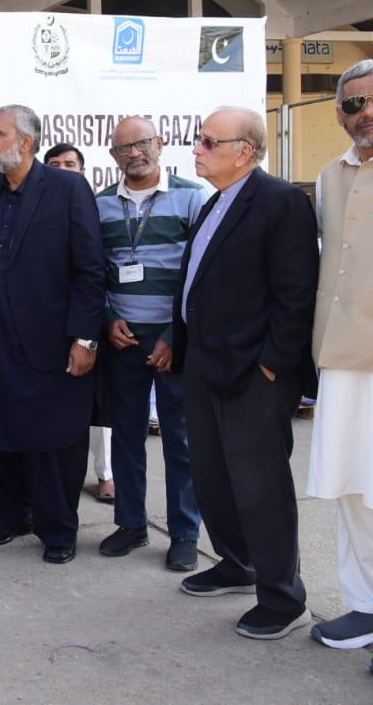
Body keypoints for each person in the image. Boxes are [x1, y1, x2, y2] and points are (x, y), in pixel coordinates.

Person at [171, 107, 318, 639]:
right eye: (199, 139)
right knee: (213, 477)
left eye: (210, 141)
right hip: (205, 365)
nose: (197, 149)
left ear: (245, 152)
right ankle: (239, 564)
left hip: (254, 374)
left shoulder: (280, 201)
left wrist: (273, 366)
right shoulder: (215, 202)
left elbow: (295, 292)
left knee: (261, 487)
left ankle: (283, 599)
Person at [0, 105, 104, 564]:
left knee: (52, 438)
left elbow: (90, 269)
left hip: (48, 338)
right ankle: (6, 518)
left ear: (27, 142)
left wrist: (85, 338)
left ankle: (57, 531)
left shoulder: (68, 188)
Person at [93, 118, 204, 571]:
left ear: (159, 143)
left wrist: (175, 334)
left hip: (173, 340)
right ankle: (131, 524)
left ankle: (185, 533)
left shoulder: (192, 197)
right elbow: (92, 270)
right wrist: (107, 320)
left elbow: (201, 271)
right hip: (123, 340)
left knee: (181, 439)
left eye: (141, 144)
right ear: (113, 156)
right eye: (124, 148)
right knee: (126, 436)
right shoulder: (100, 204)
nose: (134, 153)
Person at [306, 60, 373, 656]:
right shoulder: (329, 176)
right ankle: (365, 604)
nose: (365, 113)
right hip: (343, 357)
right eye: (354, 104)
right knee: (352, 485)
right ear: (339, 115)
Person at [44, 142, 115, 504]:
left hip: (95, 319)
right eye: (54, 164)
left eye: (69, 164)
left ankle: (106, 475)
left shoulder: (95, 205)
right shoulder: (36, 209)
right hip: (51, 326)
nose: (61, 170)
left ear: (82, 171)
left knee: (98, 407)